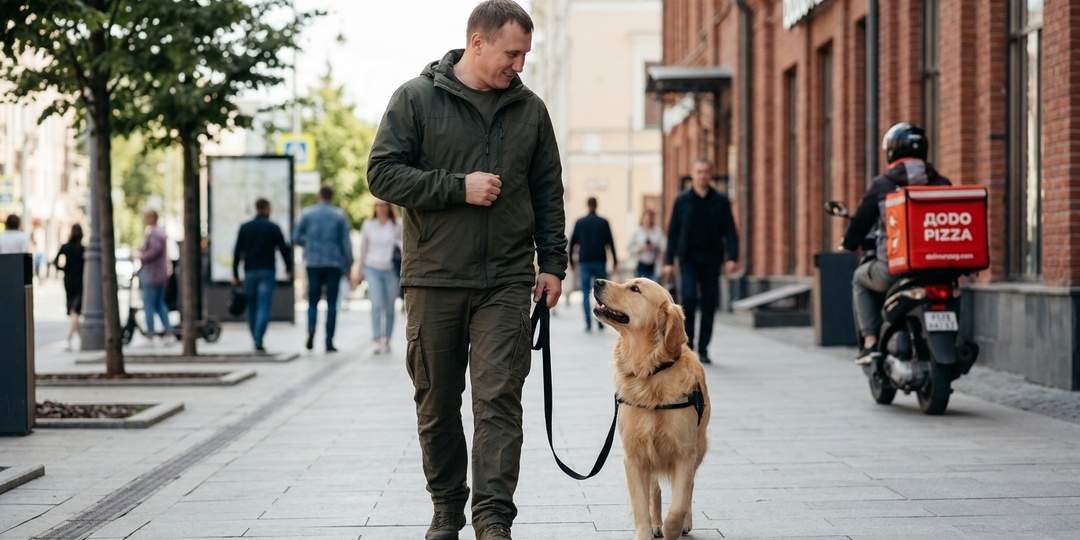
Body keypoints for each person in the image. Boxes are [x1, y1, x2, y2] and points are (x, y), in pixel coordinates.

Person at [366, 1, 567, 538]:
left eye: (525, 54)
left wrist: (552, 264)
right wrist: (457, 188)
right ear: (476, 43)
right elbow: (382, 174)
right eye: (511, 53)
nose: (519, 65)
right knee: (436, 403)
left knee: (500, 399)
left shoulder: (531, 111)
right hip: (434, 277)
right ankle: (447, 506)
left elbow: (548, 191)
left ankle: (493, 518)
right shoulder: (415, 98)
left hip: (505, 279)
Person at [840, 122, 951, 365]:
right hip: (940, 268)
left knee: (860, 279)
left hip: (894, 268)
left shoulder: (882, 185)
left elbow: (860, 222)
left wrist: (849, 243)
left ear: (891, 152)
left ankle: (870, 342)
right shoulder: (942, 183)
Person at [662, 158, 739, 364]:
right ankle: (688, 345)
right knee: (687, 298)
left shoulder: (720, 201)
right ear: (693, 174)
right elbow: (673, 232)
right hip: (687, 258)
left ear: (711, 174)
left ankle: (703, 349)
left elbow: (730, 230)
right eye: (699, 172)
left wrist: (732, 257)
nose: (703, 176)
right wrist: (668, 261)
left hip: (712, 258)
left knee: (709, 302)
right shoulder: (683, 200)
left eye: (706, 172)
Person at [294, 185, 353, 353]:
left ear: (319, 195)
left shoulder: (307, 213)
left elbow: (296, 237)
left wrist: (310, 244)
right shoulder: (339, 215)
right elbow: (346, 245)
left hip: (313, 262)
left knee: (312, 300)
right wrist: (348, 265)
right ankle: (329, 340)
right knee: (332, 304)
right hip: (333, 263)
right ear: (331, 196)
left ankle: (311, 328)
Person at [232, 198, 293, 352]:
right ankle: (258, 338)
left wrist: (235, 273)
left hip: (250, 272)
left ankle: (255, 337)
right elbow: (284, 249)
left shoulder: (245, 227)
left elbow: (237, 252)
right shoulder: (273, 227)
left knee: (252, 306)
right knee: (264, 306)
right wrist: (288, 268)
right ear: (266, 208)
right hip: (267, 271)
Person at [356, 200, 403, 354]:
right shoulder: (369, 225)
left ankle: (387, 338)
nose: (381, 208)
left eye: (384, 205)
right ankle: (376, 338)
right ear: (374, 207)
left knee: (390, 306)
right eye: (378, 205)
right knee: (376, 304)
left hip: (391, 269)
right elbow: (363, 248)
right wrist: (360, 270)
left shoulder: (397, 225)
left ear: (390, 207)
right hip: (372, 268)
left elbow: (404, 247)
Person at [569, 196, 617, 332]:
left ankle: (588, 322)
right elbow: (610, 243)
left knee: (585, 292)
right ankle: (601, 318)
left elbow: (573, 243)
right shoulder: (603, 222)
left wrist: (571, 261)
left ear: (587, 205)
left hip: (584, 261)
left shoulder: (580, 222)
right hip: (600, 261)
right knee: (602, 292)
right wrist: (615, 261)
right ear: (596, 205)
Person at [134, 209, 175, 346]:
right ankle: (168, 332)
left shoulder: (154, 233)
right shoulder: (158, 232)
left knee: (150, 305)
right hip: (159, 274)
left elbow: (153, 252)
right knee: (159, 304)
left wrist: (140, 255)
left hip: (152, 275)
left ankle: (150, 335)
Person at [54, 224, 85, 351]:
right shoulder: (83, 250)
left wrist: (64, 269)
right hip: (80, 282)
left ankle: (81, 338)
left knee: (73, 310)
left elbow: (55, 262)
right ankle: (68, 339)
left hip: (68, 280)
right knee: (74, 311)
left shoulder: (65, 247)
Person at [628, 208, 664, 281]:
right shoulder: (636, 232)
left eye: (649, 219)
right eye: (646, 218)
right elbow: (629, 247)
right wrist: (641, 248)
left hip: (653, 264)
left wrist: (654, 246)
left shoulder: (657, 231)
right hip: (640, 264)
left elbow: (663, 246)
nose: (647, 221)